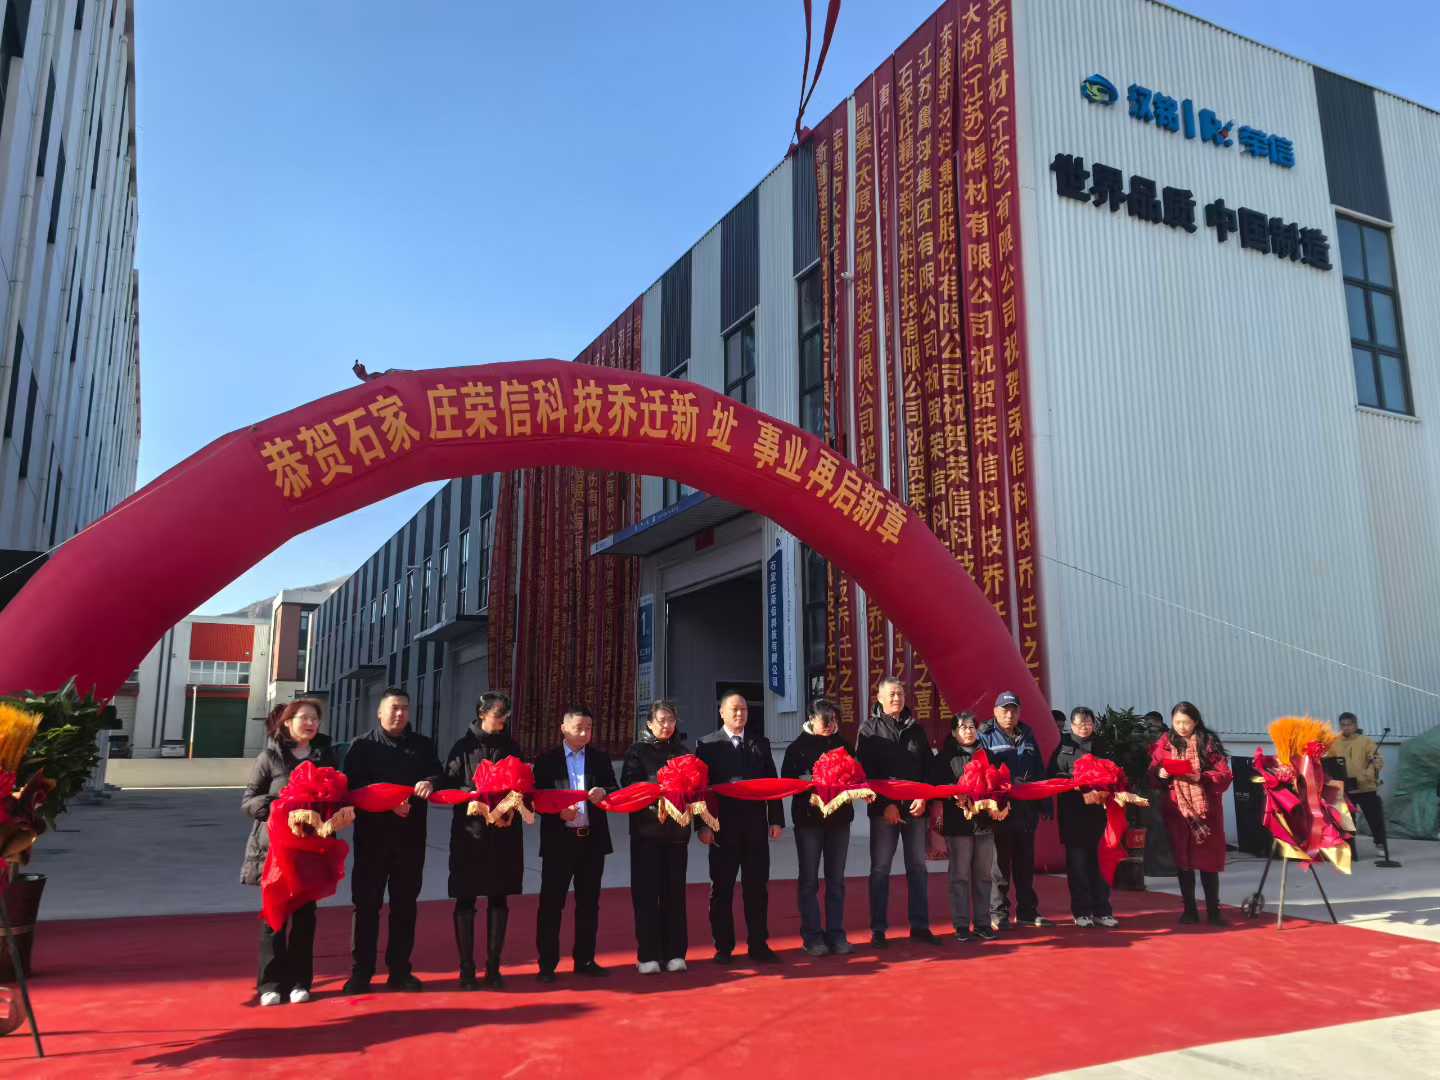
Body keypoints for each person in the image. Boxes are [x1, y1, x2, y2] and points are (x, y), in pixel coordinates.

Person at [241, 698, 346, 1005]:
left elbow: (339, 796)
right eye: (304, 717)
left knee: (304, 918)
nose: (311, 723)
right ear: (287, 722)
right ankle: (270, 984)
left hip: (311, 850)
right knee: (274, 917)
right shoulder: (270, 757)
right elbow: (249, 801)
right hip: (276, 850)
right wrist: (280, 808)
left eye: (315, 718)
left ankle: (300, 982)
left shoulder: (325, 758)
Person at [342, 687, 441, 993]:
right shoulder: (362, 746)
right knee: (366, 906)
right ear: (379, 712)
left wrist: (430, 783)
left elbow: (438, 775)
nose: (400, 713)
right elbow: (352, 790)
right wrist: (387, 804)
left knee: (405, 906)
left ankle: (399, 971)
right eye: (394, 707)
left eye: (405, 708)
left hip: (410, 840)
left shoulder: (422, 745)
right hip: (372, 841)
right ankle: (361, 972)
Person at [696, 692, 785, 964]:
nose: (739, 714)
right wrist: (702, 825)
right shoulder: (707, 745)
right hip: (722, 829)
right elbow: (699, 790)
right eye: (734, 709)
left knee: (756, 888)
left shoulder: (760, 743)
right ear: (721, 712)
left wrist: (776, 819)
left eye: (744, 709)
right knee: (721, 889)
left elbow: (772, 783)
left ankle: (758, 944)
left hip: (755, 828)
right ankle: (723, 947)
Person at [444, 692, 525, 989]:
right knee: (466, 897)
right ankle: (466, 968)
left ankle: (493, 967)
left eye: (506, 716)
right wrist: (472, 795)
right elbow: (448, 785)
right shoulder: (463, 748)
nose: (503, 720)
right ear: (482, 713)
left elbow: (523, 787)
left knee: (499, 897)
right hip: (470, 835)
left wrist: (512, 799)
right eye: (498, 714)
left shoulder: (511, 747)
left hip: (504, 835)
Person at [532, 706, 619, 982]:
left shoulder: (599, 758)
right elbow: (536, 798)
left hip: (591, 842)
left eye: (589, 728)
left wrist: (604, 791)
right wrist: (558, 813)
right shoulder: (547, 760)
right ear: (563, 728)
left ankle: (585, 959)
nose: (584, 733)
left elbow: (614, 789)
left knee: (588, 904)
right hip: (559, 842)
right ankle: (547, 964)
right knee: (551, 904)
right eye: (579, 728)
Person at [856, 675, 941, 947]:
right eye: (891, 694)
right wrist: (885, 804)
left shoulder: (916, 729)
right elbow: (865, 772)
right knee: (880, 868)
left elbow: (928, 768)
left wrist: (924, 797)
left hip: (915, 809)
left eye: (900, 694)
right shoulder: (869, 730)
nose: (897, 698)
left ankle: (920, 926)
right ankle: (878, 929)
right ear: (879, 698)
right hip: (885, 811)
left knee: (917, 867)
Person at [621, 700, 693, 974]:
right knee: (647, 895)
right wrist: (662, 786)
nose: (666, 725)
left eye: (671, 720)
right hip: (646, 833)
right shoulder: (636, 752)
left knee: (675, 895)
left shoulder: (684, 753)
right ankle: (648, 955)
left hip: (676, 834)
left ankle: (676, 953)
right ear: (650, 723)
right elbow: (630, 786)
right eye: (661, 720)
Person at [779, 699, 852, 956]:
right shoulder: (797, 748)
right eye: (825, 720)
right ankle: (812, 937)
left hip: (839, 820)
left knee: (836, 880)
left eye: (833, 719)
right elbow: (787, 782)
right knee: (809, 880)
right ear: (811, 719)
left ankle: (837, 934)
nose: (830, 724)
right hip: (809, 821)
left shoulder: (844, 745)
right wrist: (808, 780)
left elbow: (856, 775)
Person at [1149, 701, 1232, 926]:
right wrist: (1160, 773)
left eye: (1186, 722)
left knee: (1207, 862)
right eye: (1177, 722)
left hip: (1205, 811)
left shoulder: (1208, 742)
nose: (1182, 727)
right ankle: (1189, 910)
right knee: (1183, 861)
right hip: (1178, 810)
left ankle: (1213, 910)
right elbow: (1152, 773)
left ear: (1195, 721)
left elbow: (1224, 775)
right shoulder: (1165, 742)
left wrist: (1202, 777)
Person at [979, 690, 1051, 930]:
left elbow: (1039, 770)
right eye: (1005, 710)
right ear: (995, 711)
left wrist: (1045, 803)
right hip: (1000, 810)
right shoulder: (985, 736)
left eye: (1013, 710)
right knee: (1000, 865)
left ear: (1019, 712)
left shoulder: (1027, 734)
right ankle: (998, 913)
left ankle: (1027, 912)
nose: (1009, 715)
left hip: (1026, 810)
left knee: (1025, 863)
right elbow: (981, 772)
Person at [929, 712, 998, 942]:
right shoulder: (945, 757)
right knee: (959, 876)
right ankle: (960, 924)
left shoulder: (986, 755)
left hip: (984, 825)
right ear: (953, 732)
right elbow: (937, 786)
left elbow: (997, 783)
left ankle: (982, 923)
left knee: (984, 876)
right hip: (958, 825)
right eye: (963, 727)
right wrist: (955, 792)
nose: (968, 731)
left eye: (971, 727)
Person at [1048, 707, 1116, 928]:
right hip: (1073, 817)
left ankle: (1102, 911)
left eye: (1088, 723)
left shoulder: (1102, 746)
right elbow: (1052, 776)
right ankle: (1082, 912)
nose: (1084, 727)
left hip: (1099, 816)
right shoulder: (1064, 747)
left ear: (1093, 724)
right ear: (1072, 725)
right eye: (1079, 723)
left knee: (1099, 866)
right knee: (1078, 868)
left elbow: (1115, 773)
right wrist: (1075, 782)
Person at [1326, 712, 1389, 860]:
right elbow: (1330, 762)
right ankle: (1349, 849)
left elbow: (1377, 760)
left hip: (1366, 787)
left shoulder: (1365, 741)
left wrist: (1368, 774)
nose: (1346, 727)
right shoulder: (1334, 743)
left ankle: (1380, 844)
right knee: (1347, 821)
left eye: (1349, 724)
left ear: (1355, 725)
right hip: (1346, 788)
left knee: (1374, 818)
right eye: (1343, 725)